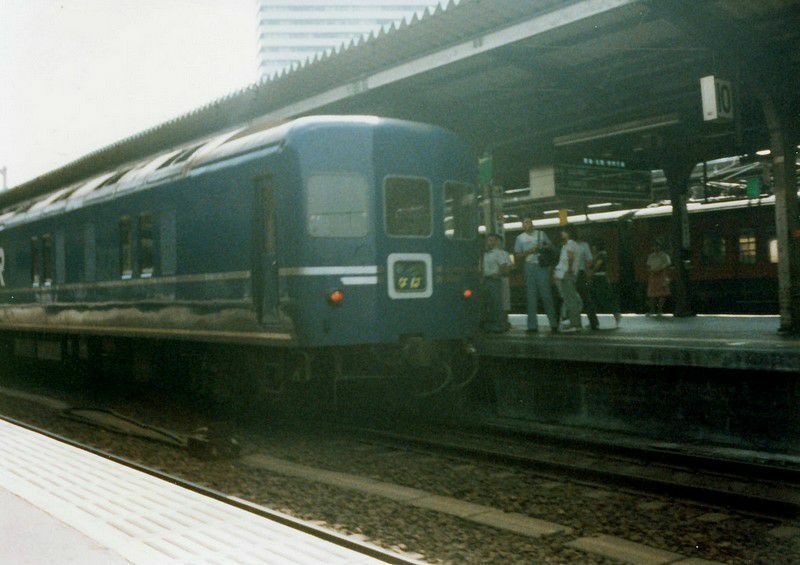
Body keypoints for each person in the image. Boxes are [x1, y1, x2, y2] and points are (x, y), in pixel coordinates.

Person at [514, 219, 558, 334]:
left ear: (532, 224)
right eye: (524, 223)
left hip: (542, 266)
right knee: (531, 296)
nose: (526, 224)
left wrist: (544, 247)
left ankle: (553, 324)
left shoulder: (541, 234)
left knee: (546, 295)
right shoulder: (520, 238)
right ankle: (532, 326)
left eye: (528, 222)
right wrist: (529, 251)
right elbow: (518, 255)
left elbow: (551, 247)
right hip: (529, 266)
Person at [554, 226, 582, 332]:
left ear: (568, 233)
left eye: (564, 231)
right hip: (571, 274)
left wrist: (569, 270)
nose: (562, 233)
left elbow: (570, 257)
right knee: (572, 299)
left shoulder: (569, 243)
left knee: (570, 300)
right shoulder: (575, 244)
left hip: (567, 275)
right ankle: (575, 323)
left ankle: (575, 324)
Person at [482, 234, 512, 333]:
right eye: (488, 240)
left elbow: (504, 266)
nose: (489, 242)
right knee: (489, 303)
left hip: (494, 280)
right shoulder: (485, 254)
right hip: (485, 280)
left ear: (495, 242)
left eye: (491, 240)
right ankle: (490, 324)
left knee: (496, 303)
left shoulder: (499, 253)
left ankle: (498, 325)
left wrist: (498, 274)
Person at [589, 239, 621, 327]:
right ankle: (593, 319)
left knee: (606, 296)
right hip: (596, 278)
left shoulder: (602, 254)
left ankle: (616, 314)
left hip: (600, 277)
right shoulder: (596, 255)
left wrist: (590, 273)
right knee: (594, 298)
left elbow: (598, 265)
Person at [574, 229, 599, 330]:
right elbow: (589, 261)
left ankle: (575, 323)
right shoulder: (584, 245)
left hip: (573, 274)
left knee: (572, 299)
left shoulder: (567, 245)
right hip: (580, 273)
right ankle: (593, 322)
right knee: (586, 298)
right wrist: (587, 273)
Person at [646, 240, 671, 317]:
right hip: (653, 275)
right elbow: (648, 266)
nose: (656, 247)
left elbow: (667, 265)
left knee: (662, 294)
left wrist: (660, 270)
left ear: (660, 247)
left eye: (658, 246)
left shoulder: (664, 256)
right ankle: (652, 310)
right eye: (655, 246)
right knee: (652, 294)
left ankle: (660, 310)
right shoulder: (651, 256)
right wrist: (651, 271)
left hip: (662, 275)